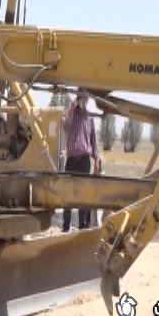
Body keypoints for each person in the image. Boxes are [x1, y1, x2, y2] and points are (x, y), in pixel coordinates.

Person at [62, 87, 100, 232]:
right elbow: (67, 127)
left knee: (83, 194)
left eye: (85, 98)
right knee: (68, 194)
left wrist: (96, 160)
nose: (83, 101)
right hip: (71, 160)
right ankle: (66, 227)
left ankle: (82, 225)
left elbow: (93, 142)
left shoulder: (89, 118)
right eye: (81, 98)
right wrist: (72, 108)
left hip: (84, 160)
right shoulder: (71, 113)